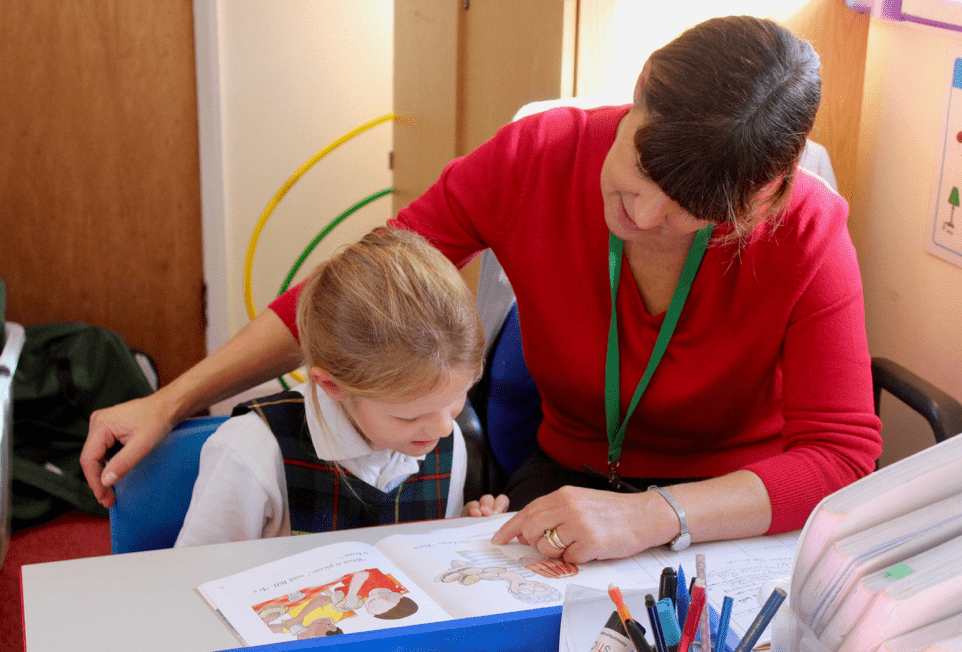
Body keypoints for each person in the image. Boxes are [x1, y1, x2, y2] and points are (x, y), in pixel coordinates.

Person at [82, 16, 882, 563]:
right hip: (560, 476)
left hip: (727, 508)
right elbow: (350, 292)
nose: (641, 214)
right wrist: (172, 400)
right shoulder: (537, 157)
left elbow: (841, 454)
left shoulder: (806, 230)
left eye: (688, 214)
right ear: (637, 97)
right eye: (637, 171)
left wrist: (654, 515)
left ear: (765, 197)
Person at [173, 228, 506, 547]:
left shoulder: (442, 439)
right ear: (333, 385)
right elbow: (194, 580)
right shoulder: (252, 452)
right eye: (409, 417)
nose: (445, 427)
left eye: (456, 399)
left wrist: (460, 532)